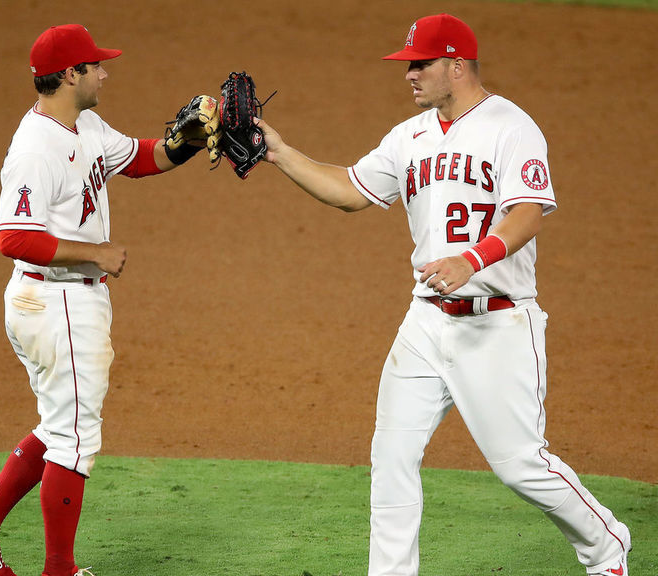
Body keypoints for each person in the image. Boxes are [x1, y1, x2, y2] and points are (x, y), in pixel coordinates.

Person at [254, 13, 631, 576]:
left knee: (520, 466)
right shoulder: (409, 136)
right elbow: (351, 191)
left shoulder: (512, 126)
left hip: (499, 323)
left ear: (456, 64)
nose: (409, 74)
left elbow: (528, 213)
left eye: (420, 63)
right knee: (391, 455)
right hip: (427, 322)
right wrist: (279, 153)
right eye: (408, 64)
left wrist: (472, 258)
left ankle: (606, 547)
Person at [0, 24, 217, 576]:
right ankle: (59, 571)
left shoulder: (84, 122)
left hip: (62, 301)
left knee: (57, 428)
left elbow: (140, 158)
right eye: (95, 66)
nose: (104, 72)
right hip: (55, 302)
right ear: (70, 74)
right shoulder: (35, 148)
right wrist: (94, 252)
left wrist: (184, 141)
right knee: (75, 440)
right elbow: (13, 238)